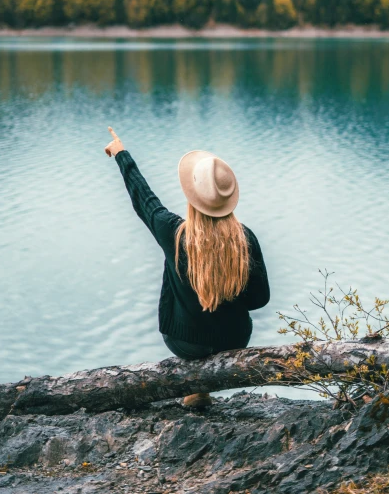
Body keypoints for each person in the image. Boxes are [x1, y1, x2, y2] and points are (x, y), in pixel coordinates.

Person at [104, 127, 270, 409]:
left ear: (192, 196)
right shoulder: (245, 239)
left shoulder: (175, 233)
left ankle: (197, 387)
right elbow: (259, 300)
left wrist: (121, 153)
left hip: (185, 343)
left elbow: (144, 199)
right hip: (234, 340)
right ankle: (201, 389)